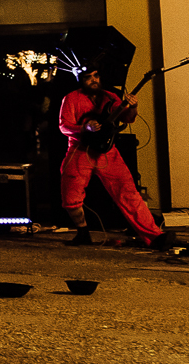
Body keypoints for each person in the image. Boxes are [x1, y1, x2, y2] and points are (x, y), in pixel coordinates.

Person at [59, 67, 175, 250]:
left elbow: (127, 118)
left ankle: (155, 236)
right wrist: (84, 128)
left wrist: (133, 106)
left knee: (129, 193)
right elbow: (64, 126)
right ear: (80, 80)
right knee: (70, 196)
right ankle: (83, 232)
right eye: (88, 77)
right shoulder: (71, 98)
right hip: (80, 150)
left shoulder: (110, 96)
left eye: (96, 76)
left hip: (107, 152)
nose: (94, 80)